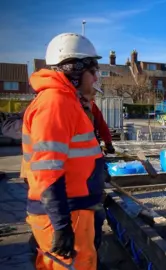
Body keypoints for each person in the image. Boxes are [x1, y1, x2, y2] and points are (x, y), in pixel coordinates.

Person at [22, 32, 105, 269]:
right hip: (66, 212)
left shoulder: (67, 101)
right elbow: (47, 171)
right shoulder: (55, 103)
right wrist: (61, 225)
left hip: (75, 210)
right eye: (93, 71)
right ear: (75, 71)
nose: (96, 78)